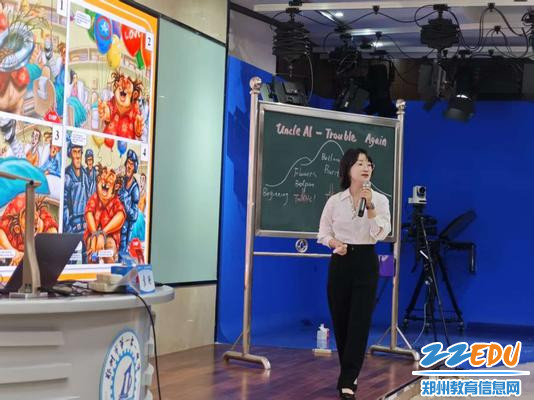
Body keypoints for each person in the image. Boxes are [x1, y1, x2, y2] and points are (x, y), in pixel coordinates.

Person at [317, 148, 391, 399]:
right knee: (341, 321)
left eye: (369, 163)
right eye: (360, 163)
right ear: (348, 169)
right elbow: (323, 233)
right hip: (340, 260)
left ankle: (348, 380)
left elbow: (380, 233)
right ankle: (349, 372)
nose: (366, 167)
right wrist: (334, 243)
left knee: (359, 322)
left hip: (365, 261)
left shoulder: (380, 200)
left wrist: (369, 206)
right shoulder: (334, 201)